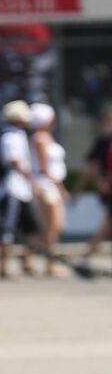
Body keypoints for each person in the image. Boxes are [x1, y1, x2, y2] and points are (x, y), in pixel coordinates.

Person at [0, 99, 38, 279]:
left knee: (31, 228)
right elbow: (15, 161)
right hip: (13, 188)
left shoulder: (17, 135)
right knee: (9, 229)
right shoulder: (10, 137)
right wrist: (31, 178)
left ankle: (26, 261)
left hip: (21, 188)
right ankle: (3, 266)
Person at [27, 103, 69, 276]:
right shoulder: (41, 138)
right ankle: (50, 263)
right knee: (54, 226)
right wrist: (61, 188)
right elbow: (45, 168)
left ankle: (29, 256)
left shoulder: (45, 137)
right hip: (47, 185)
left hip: (48, 184)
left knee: (54, 226)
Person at [79, 105, 112, 269]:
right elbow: (93, 165)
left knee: (108, 226)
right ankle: (84, 258)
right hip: (109, 190)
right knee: (108, 225)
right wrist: (99, 181)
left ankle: (85, 258)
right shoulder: (104, 141)